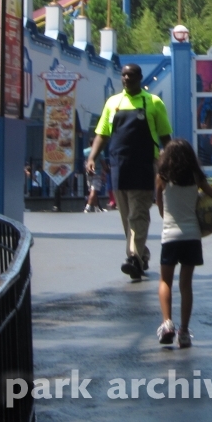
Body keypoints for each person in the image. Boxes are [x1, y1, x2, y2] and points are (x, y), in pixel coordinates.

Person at [87, 64, 172, 281]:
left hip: (144, 165)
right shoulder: (113, 103)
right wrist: (92, 157)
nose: (126, 78)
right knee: (126, 216)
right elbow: (102, 134)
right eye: (123, 75)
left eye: (131, 75)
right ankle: (142, 254)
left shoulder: (153, 102)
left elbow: (165, 136)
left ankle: (133, 258)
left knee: (138, 214)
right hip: (119, 166)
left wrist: (170, 162)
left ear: (140, 77)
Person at [155, 139, 212, 349]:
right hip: (192, 236)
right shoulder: (196, 177)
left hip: (170, 236)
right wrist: (200, 197)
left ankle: (167, 323)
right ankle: (184, 332)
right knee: (186, 285)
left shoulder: (162, 178)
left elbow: (160, 207)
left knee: (165, 281)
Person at [83, 147, 104, 213]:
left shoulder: (85, 151)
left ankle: (96, 207)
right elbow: (103, 163)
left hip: (88, 173)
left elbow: (85, 161)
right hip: (97, 173)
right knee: (93, 191)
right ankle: (87, 207)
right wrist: (106, 170)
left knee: (92, 191)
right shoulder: (100, 152)